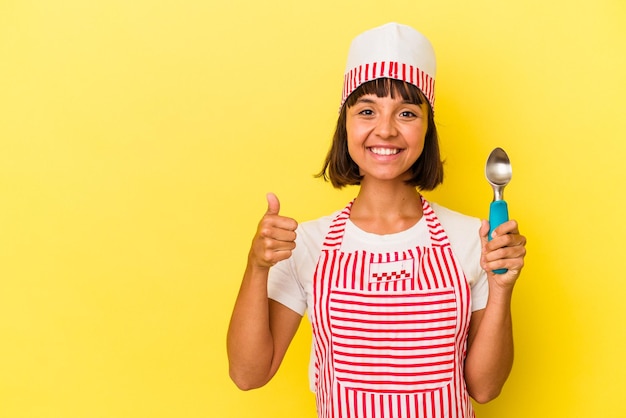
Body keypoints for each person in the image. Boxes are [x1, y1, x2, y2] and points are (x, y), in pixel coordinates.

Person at [227, 22, 527, 418]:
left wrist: (501, 287)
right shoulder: (307, 244)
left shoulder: (473, 239)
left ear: (426, 130)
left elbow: (485, 388)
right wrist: (257, 266)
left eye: (406, 113)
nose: (385, 130)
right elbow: (249, 374)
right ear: (345, 125)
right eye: (367, 110)